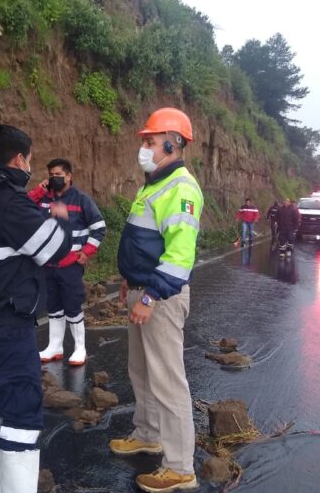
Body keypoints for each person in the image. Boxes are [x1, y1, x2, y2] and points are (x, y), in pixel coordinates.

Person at [0, 125, 73, 493]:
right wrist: (60, 215)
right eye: (31, 161)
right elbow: (53, 248)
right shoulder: (9, 203)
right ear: (19, 159)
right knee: (21, 408)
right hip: (6, 323)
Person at [109, 107, 203, 493]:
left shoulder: (181, 188)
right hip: (142, 289)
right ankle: (147, 434)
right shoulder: (152, 184)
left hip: (160, 297)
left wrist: (148, 295)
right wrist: (129, 283)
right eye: (144, 141)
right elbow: (144, 242)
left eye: (150, 141)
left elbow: (180, 255)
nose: (144, 147)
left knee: (167, 380)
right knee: (142, 371)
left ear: (173, 142)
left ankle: (180, 468)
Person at [29, 158, 106, 366]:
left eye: (58, 175)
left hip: (70, 265)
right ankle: (55, 346)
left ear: (69, 176)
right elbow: (23, 207)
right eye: (51, 175)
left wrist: (86, 252)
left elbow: (99, 227)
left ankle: (80, 348)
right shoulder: (44, 198)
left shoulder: (81, 200)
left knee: (72, 305)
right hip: (47, 264)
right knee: (52, 305)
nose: (55, 179)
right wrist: (38, 191)